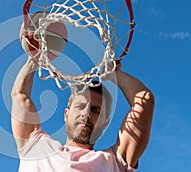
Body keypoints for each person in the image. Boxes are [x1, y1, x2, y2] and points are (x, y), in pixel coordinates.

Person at [11, 56, 155, 172]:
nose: (86, 113)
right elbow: (19, 95)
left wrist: (116, 75)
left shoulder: (115, 162)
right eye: (80, 106)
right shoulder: (36, 147)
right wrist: (34, 58)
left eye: (95, 110)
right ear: (66, 114)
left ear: (105, 122)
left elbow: (145, 101)